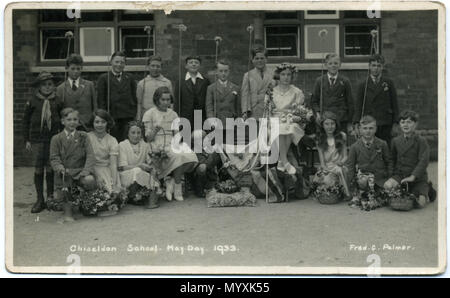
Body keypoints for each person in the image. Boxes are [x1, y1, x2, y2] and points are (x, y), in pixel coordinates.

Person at [143, 86, 198, 201]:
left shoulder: (173, 114)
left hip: (171, 142)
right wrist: (155, 130)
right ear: (157, 99)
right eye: (163, 99)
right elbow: (148, 138)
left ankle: (172, 181)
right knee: (178, 156)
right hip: (157, 144)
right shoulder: (149, 113)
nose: (166, 102)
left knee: (191, 157)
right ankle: (177, 187)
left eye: (168, 100)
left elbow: (176, 134)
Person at [23, 71, 63, 213]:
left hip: (53, 139)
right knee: (39, 167)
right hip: (37, 139)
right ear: (39, 86)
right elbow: (26, 121)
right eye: (44, 85)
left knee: (50, 167)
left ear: (54, 86)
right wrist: (27, 139)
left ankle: (50, 198)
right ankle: (40, 199)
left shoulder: (57, 101)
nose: (47, 87)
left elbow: (62, 120)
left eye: (50, 84)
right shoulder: (33, 101)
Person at [50, 108, 97, 223]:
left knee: (89, 180)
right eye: (69, 119)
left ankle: (86, 205)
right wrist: (60, 169)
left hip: (80, 171)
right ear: (63, 121)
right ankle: (67, 212)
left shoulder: (83, 136)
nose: (72, 122)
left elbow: (90, 156)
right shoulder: (56, 139)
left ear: (78, 121)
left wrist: (85, 172)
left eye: (75, 119)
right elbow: (54, 158)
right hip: (64, 173)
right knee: (59, 195)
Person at [268, 63, 313, 175]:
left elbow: (299, 110)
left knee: (289, 127)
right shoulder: (272, 91)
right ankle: (284, 161)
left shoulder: (297, 92)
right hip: (275, 119)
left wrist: (294, 116)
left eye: (288, 74)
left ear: (292, 76)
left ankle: (281, 160)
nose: (286, 77)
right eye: (283, 74)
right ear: (279, 76)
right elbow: (268, 111)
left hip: (291, 119)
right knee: (279, 127)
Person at [384, 110, 433, 208]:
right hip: (400, 175)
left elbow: (423, 161)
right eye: (402, 122)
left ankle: (427, 189)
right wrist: (391, 175)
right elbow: (392, 159)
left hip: (417, 178)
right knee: (387, 186)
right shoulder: (395, 141)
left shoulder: (421, 141)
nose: (405, 125)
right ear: (399, 125)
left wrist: (413, 176)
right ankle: (406, 191)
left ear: (415, 124)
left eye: (409, 122)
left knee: (420, 204)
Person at [353, 54, 399, 144]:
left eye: (379, 66)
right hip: (369, 124)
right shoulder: (363, 85)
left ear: (382, 67)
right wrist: (356, 124)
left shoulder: (388, 83)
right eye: (373, 65)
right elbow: (358, 106)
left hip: (385, 123)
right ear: (369, 66)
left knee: (385, 148)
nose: (376, 68)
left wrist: (395, 123)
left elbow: (394, 104)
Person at [118, 121, 161, 208]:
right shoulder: (122, 145)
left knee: (152, 172)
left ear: (142, 134)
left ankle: (145, 197)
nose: (136, 135)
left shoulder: (145, 145)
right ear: (127, 134)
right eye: (133, 133)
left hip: (140, 174)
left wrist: (155, 160)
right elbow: (122, 167)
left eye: (138, 133)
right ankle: (131, 195)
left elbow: (150, 163)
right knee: (137, 171)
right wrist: (139, 166)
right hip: (125, 175)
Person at [97, 51, 138, 142]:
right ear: (111, 62)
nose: (119, 65)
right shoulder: (104, 78)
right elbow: (101, 100)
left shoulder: (129, 77)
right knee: (114, 142)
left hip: (127, 117)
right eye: (117, 62)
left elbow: (134, 97)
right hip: (112, 117)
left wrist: (133, 113)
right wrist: (105, 117)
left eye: (122, 62)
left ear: (125, 64)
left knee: (126, 142)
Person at [311, 53, 354, 134]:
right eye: (330, 63)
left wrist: (349, 122)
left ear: (340, 65)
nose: (333, 66)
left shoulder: (345, 81)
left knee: (340, 143)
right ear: (325, 65)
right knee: (325, 143)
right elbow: (314, 101)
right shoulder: (319, 81)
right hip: (325, 119)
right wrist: (317, 113)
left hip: (341, 119)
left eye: (336, 63)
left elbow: (350, 103)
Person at [346, 115, 393, 190]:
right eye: (365, 128)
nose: (368, 131)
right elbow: (351, 167)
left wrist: (389, 178)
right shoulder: (354, 147)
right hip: (363, 181)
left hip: (380, 180)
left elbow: (389, 162)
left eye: (371, 128)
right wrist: (352, 185)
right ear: (360, 129)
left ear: (375, 129)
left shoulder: (382, 144)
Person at [56, 54, 97, 131]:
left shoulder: (89, 85)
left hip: (87, 127)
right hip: (69, 128)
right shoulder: (60, 89)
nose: (75, 71)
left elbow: (95, 107)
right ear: (67, 68)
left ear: (82, 68)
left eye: (78, 69)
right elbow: (59, 112)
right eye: (73, 68)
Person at [315, 111, 350, 198]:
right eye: (327, 124)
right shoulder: (320, 139)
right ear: (322, 125)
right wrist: (327, 171)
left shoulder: (342, 136)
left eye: (332, 124)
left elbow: (345, 156)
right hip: (327, 167)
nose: (330, 127)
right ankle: (336, 190)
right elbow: (322, 163)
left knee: (340, 170)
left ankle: (347, 193)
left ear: (336, 124)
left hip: (339, 165)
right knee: (327, 180)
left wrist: (341, 162)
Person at [205, 59, 240, 145]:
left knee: (229, 146)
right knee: (217, 147)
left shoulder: (235, 87)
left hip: (230, 122)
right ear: (216, 72)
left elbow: (238, 107)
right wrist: (211, 119)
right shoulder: (211, 88)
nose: (223, 73)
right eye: (221, 71)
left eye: (226, 71)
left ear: (229, 72)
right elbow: (209, 106)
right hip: (217, 121)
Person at [87, 109, 121, 194]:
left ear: (107, 123)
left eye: (103, 122)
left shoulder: (112, 140)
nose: (100, 125)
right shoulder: (87, 138)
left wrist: (114, 182)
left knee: (111, 194)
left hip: (106, 169)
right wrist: (97, 176)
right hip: (91, 169)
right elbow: (87, 160)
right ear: (92, 123)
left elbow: (113, 164)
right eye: (97, 122)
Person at [241, 45, 275, 122]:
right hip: (254, 111)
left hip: (269, 110)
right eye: (256, 58)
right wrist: (245, 111)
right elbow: (245, 95)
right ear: (252, 60)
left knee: (269, 133)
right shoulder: (248, 75)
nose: (259, 61)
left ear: (266, 59)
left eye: (262, 58)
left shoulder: (273, 74)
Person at [175, 55, 210, 128]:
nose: (193, 64)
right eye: (191, 62)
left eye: (196, 62)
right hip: (185, 117)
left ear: (200, 65)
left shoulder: (205, 81)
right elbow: (177, 102)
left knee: (199, 137)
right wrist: (177, 117)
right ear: (186, 66)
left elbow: (208, 101)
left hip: (201, 116)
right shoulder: (180, 81)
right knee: (186, 138)